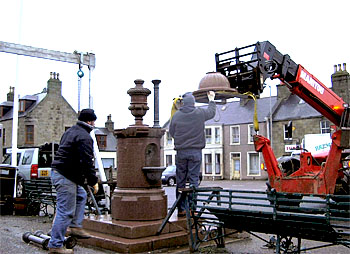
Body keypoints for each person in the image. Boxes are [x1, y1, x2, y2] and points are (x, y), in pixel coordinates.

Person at [48, 109, 99, 254]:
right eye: (94, 121)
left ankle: (75, 226)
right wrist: (93, 181)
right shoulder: (85, 137)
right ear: (90, 121)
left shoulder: (70, 131)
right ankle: (55, 245)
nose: (94, 124)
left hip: (61, 173)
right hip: (66, 176)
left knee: (81, 195)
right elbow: (86, 162)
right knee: (65, 212)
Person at [169, 91, 216, 216]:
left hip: (181, 152)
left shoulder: (177, 115)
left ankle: (181, 209)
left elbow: (172, 132)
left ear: (183, 103)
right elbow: (211, 112)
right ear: (193, 102)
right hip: (195, 151)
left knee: (180, 181)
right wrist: (211, 99)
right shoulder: (199, 113)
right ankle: (192, 208)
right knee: (194, 181)